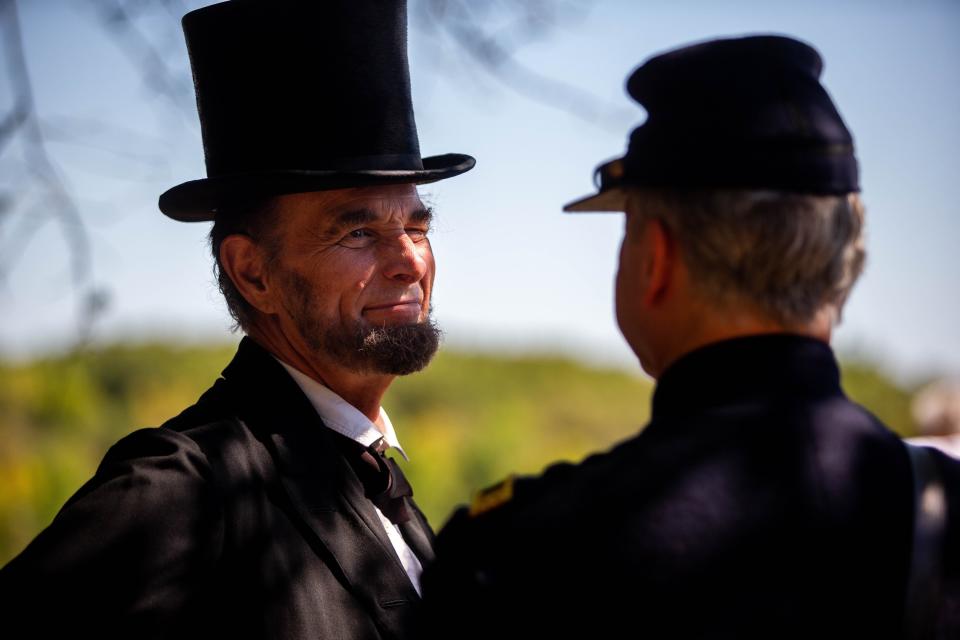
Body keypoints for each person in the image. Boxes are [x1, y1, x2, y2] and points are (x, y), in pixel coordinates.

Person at [419, 35, 959, 639]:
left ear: (657, 258)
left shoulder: (517, 554)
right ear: (846, 261)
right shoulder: (942, 516)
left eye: (627, 231)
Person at [0, 1, 473, 639]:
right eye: (358, 231)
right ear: (253, 272)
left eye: (417, 225)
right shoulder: (180, 484)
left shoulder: (379, 483)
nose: (409, 260)